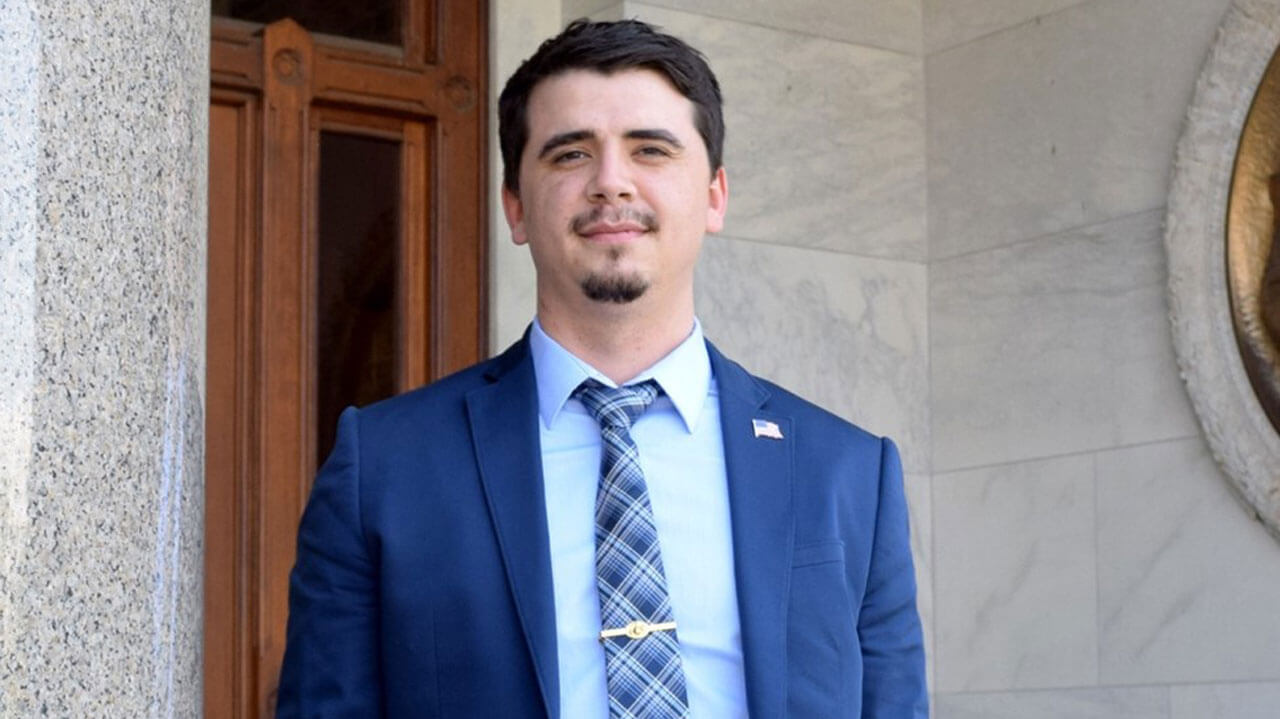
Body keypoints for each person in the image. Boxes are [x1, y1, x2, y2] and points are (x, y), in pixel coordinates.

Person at [276, 19, 927, 719]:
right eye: (570, 154)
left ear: (714, 195)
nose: (611, 182)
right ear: (515, 206)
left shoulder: (849, 473)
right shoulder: (384, 468)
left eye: (650, 150)